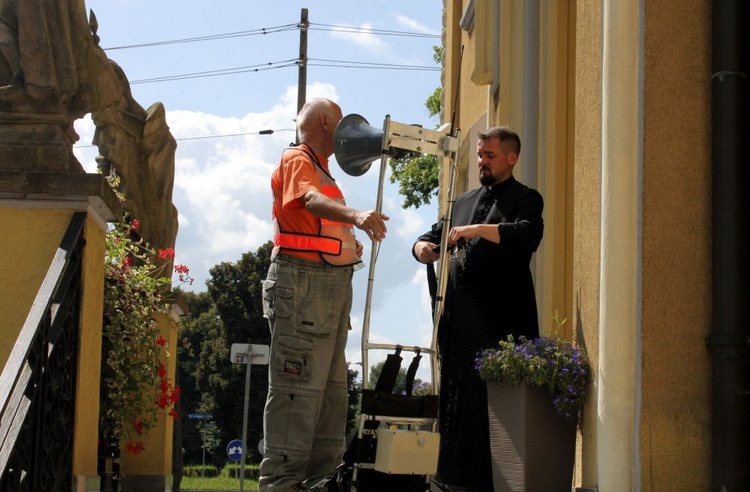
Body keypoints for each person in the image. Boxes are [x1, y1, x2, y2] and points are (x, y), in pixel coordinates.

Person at [259, 98, 389, 492]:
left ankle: (318, 482)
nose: (345, 131)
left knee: (330, 395)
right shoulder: (298, 159)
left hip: (322, 285)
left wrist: (347, 242)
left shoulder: (320, 167)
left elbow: (316, 218)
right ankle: (282, 484)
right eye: (340, 121)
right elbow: (309, 201)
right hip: (304, 285)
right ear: (326, 121)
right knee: (298, 392)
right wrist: (356, 218)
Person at [412, 126, 543, 491]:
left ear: (511, 158)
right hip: (458, 327)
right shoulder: (464, 200)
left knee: (495, 413)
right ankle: (451, 481)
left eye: (489, 156)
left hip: (500, 327)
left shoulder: (526, 199)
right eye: (480, 155)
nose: (482, 162)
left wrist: (477, 230)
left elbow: (526, 235)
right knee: (456, 409)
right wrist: (423, 248)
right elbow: (430, 236)